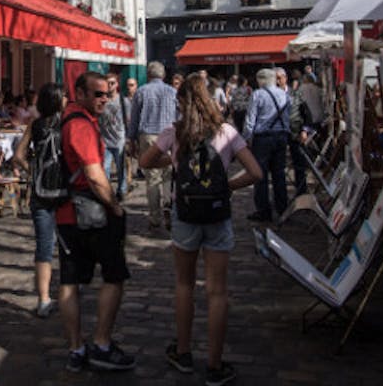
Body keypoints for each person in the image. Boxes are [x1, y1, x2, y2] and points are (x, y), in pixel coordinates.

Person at [139, 73, 262, 386]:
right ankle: (215, 364)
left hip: (186, 213)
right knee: (217, 291)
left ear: (182, 103)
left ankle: (182, 352)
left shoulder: (175, 132)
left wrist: (175, 164)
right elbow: (256, 172)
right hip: (217, 214)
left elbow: (145, 161)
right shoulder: (226, 132)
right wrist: (227, 187)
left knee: (184, 284)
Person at [57, 71, 134, 372]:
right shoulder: (80, 125)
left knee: (70, 282)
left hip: (65, 212)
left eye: (107, 93)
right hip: (88, 213)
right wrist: (114, 206)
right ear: (80, 93)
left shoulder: (65, 118)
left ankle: (76, 349)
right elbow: (93, 173)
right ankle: (100, 344)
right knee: (114, 275)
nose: (105, 98)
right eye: (98, 94)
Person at [14, 82, 67, 318]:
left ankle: (43, 299)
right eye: (64, 96)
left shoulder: (34, 126)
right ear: (57, 101)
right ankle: (69, 292)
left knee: (44, 246)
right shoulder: (66, 125)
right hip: (64, 193)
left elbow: (17, 156)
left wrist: (33, 172)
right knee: (68, 246)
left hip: (40, 193)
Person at [128, 61, 178, 231]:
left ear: (148, 75)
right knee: (168, 175)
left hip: (148, 135)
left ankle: (155, 217)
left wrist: (131, 140)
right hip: (169, 134)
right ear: (163, 75)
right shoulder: (173, 92)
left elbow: (134, 118)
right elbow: (179, 115)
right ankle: (168, 207)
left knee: (152, 178)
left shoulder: (141, 91)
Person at [243, 69, 291, 222]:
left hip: (263, 138)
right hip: (281, 136)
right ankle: (283, 208)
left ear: (260, 80)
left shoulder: (257, 94)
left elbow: (250, 119)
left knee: (260, 175)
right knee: (279, 174)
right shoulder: (284, 94)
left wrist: (247, 139)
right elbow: (287, 116)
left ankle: (264, 211)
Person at [99, 72, 130, 201]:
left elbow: (128, 120)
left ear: (117, 84)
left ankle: (121, 190)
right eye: (108, 83)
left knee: (120, 168)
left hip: (119, 140)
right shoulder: (102, 100)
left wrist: (129, 138)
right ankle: (107, 191)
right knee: (105, 167)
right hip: (105, 140)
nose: (110, 86)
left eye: (112, 83)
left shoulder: (124, 100)